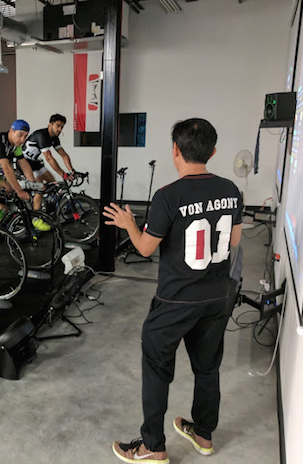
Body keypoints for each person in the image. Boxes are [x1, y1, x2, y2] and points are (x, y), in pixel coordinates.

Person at [103, 118, 243, 463]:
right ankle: (204, 435)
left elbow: (145, 248)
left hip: (175, 300)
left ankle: (153, 446)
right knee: (207, 368)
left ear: (175, 150)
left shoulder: (167, 196)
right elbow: (234, 240)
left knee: (156, 368)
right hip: (217, 296)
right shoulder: (231, 189)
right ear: (213, 152)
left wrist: (129, 224)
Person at [19, 114, 77, 212]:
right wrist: (63, 174)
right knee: (40, 189)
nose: (60, 129)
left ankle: (48, 206)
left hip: (34, 162)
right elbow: (49, 158)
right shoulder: (42, 135)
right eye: (58, 126)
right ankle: (35, 217)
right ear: (50, 125)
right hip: (24, 163)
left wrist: (71, 170)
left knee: (53, 183)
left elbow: (64, 155)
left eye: (62, 127)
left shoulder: (54, 138)